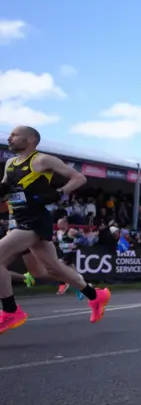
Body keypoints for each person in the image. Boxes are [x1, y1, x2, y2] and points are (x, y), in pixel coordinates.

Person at [0, 126, 111, 334]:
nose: (9, 138)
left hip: (33, 221)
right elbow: (5, 186)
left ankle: (10, 311)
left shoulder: (42, 160)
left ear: (31, 139)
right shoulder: (9, 163)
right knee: (49, 270)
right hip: (16, 220)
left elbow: (79, 178)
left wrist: (59, 193)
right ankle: (95, 295)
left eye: (14, 135)